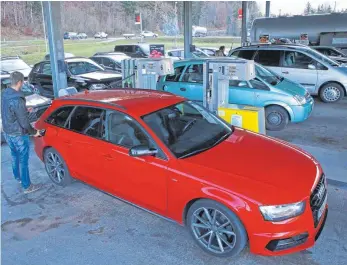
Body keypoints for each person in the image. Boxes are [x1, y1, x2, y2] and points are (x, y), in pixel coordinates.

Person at [1, 71, 42, 194]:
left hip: (7, 132)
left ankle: (18, 177)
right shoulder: (17, 99)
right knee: (23, 161)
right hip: (19, 134)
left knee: (14, 156)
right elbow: (24, 123)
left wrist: (24, 110)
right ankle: (27, 186)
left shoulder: (5, 94)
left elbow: (10, 111)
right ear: (20, 82)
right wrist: (34, 132)